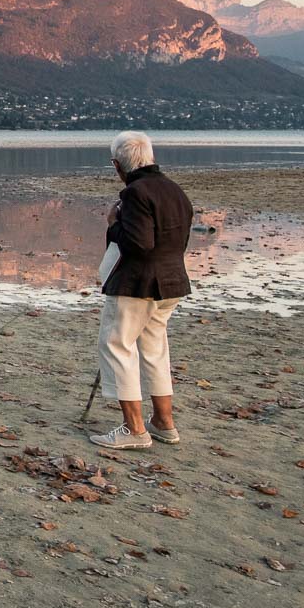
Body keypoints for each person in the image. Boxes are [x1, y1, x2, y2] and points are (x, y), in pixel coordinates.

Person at [89, 130, 194, 449]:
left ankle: (134, 429)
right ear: (150, 157)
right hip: (172, 281)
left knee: (116, 344)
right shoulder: (175, 191)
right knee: (154, 349)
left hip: (138, 284)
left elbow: (139, 243)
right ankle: (163, 422)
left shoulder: (134, 193)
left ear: (117, 165)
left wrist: (113, 224)